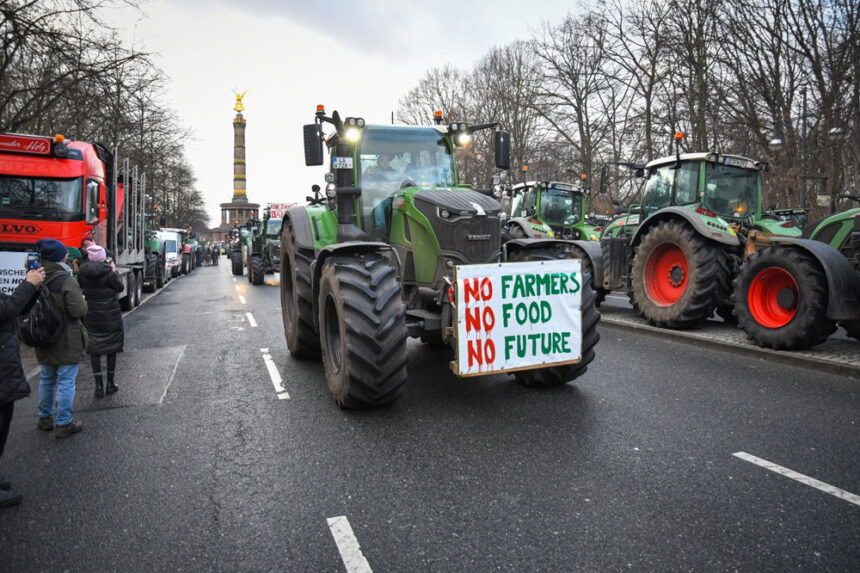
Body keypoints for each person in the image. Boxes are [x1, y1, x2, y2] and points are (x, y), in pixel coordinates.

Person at [34, 239, 88, 439]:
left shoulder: (34, 276)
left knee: (46, 378)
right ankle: (64, 422)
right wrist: (82, 301)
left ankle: (44, 418)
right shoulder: (65, 279)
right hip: (66, 337)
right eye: (64, 253)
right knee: (66, 380)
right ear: (59, 257)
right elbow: (78, 310)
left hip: (42, 335)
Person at [0, 267, 45, 508]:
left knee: (3, 425)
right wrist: (28, 284)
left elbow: (13, 308)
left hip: (4, 371)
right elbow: (6, 310)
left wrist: (34, 288)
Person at [78, 245, 123, 397]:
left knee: (95, 349)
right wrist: (115, 270)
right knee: (111, 348)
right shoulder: (109, 273)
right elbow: (120, 287)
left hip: (91, 314)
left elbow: (81, 287)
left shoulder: (82, 273)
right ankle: (110, 383)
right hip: (110, 314)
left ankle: (98, 386)